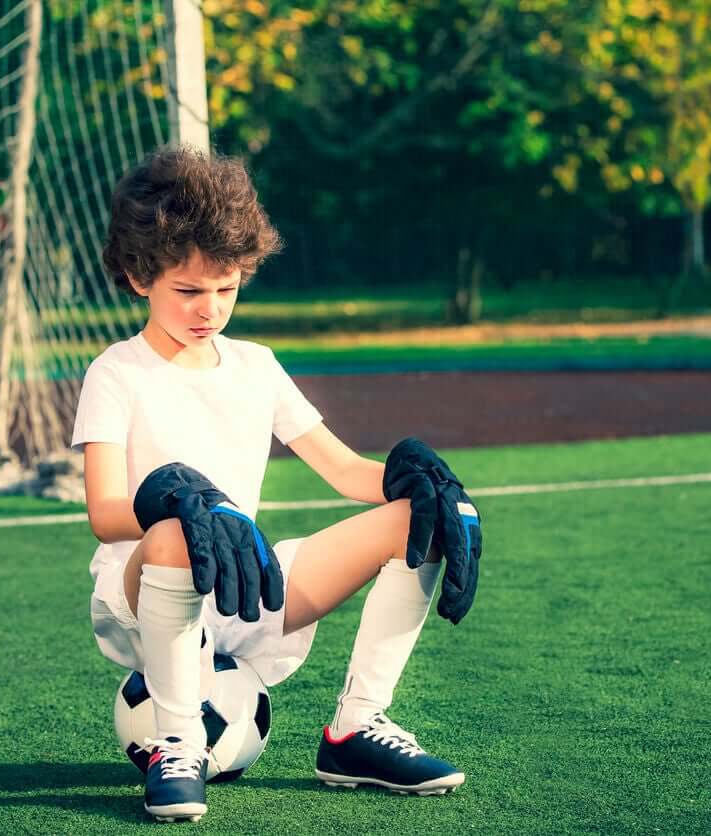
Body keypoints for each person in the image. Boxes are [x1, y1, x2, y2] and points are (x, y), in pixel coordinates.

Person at [71, 145, 483, 823]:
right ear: (138, 275)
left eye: (227, 288)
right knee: (180, 529)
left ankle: (356, 727)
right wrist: (173, 503)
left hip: (245, 581)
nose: (210, 308)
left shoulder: (256, 366)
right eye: (189, 290)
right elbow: (106, 512)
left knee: (420, 515)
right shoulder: (117, 373)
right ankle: (178, 742)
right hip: (143, 589)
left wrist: (417, 479)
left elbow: (346, 470)